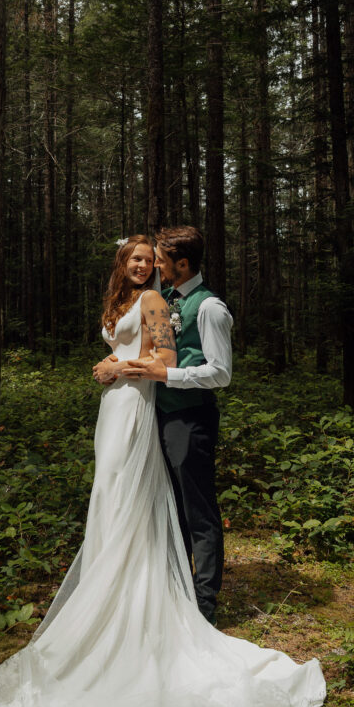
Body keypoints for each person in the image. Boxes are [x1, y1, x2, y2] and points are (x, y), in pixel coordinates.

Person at [0, 235, 325, 707]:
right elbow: (131, 353)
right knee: (109, 497)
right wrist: (108, 368)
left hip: (137, 404)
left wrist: (116, 370)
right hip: (116, 407)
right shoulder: (126, 301)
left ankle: (150, 601)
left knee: (136, 497)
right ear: (121, 263)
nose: (142, 265)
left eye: (149, 260)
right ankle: (110, 586)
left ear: (162, 266)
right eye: (134, 258)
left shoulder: (157, 303)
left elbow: (163, 360)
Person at [122, 226, 231, 626]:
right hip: (161, 416)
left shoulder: (209, 308)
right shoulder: (164, 299)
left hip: (191, 416)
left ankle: (205, 603)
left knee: (198, 508)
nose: (156, 268)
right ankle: (179, 586)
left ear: (182, 265)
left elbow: (220, 373)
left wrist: (170, 377)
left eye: (162, 262)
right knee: (172, 506)